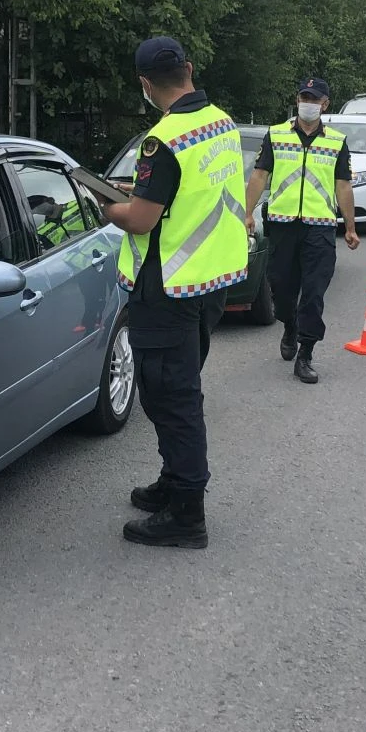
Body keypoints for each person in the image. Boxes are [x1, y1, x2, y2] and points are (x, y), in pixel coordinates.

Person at [101, 37, 248, 549]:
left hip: (167, 289)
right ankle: (173, 480)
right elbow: (189, 196)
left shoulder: (161, 141)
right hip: (209, 283)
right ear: (188, 68)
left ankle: (187, 511)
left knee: (171, 398)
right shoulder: (221, 123)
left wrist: (108, 206)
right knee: (178, 392)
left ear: (144, 83)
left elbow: (142, 220)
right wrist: (140, 194)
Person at [245, 77, 360, 384]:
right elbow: (259, 176)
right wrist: (247, 213)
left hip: (319, 227)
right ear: (297, 100)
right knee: (281, 288)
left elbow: (343, 186)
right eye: (303, 97)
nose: (308, 103)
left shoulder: (336, 142)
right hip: (282, 224)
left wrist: (350, 226)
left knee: (313, 293)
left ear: (325, 104)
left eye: (314, 99)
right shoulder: (276, 134)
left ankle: (306, 353)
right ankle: (289, 325)